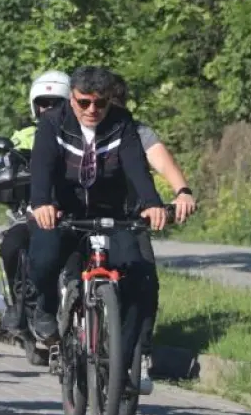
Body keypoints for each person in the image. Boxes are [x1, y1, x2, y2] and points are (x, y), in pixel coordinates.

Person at [27, 66, 167, 363]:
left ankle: (122, 362)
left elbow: (136, 166)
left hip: (110, 214)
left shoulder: (121, 123)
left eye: (100, 103)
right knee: (44, 259)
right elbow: (42, 165)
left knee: (139, 278)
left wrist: (151, 202)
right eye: (84, 102)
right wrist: (42, 202)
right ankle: (46, 306)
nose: (92, 110)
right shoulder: (52, 123)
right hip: (62, 212)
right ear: (72, 99)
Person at [107, 74, 197, 394]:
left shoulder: (137, 132)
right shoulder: (77, 132)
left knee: (146, 282)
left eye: (113, 104)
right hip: (85, 218)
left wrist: (182, 191)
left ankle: (141, 353)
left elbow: (160, 159)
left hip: (129, 220)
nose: (103, 112)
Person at [0, 70, 71, 331]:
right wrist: (12, 168)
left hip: (70, 214)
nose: (48, 108)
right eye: (43, 103)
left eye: (56, 103)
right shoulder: (24, 136)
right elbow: (0, 165)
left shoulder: (77, 136)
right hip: (31, 212)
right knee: (11, 246)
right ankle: (17, 302)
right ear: (34, 105)